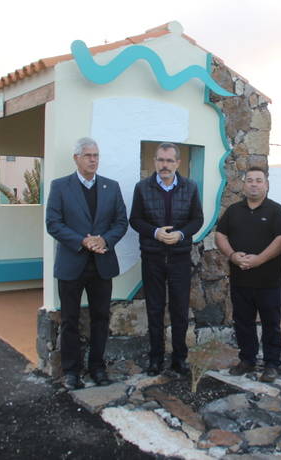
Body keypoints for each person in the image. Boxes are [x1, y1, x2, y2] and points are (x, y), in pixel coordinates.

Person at [46, 137, 128, 390]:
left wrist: (104, 239)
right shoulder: (60, 186)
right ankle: (71, 371)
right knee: (70, 320)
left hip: (102, 264)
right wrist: (83, 241)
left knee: (100, 318)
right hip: (72, 263)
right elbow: (53, 223)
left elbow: (121, 222)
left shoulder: (111, 187)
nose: (93, 160)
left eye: (96, 155)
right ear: (76, 158)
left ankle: (97, 368)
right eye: (88, 155)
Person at [129, 142, 203, 376]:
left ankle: (179, 358)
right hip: (152, 257)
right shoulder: (142, 188)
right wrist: (155, 232)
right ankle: (155, 358)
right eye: (161, 160)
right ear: (155, 161)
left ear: (178, 163)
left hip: (180, 258)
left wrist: (181, 234)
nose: (165, 165)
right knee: (154, 309)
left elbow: (197, 220)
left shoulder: (190, 187)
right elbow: (135, 220)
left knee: (180, 309)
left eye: (170, 160)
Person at [215, 166, 281, 382]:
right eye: (250, 180)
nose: (254, 184)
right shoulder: (233, 210)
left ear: (266, 185)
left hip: (269, 282)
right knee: (243, 322)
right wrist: (232, 255)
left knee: (271, 324)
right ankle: (247, 360)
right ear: (243, 184)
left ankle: (271, 364)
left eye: (259, 180)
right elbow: (220, 234)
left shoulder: (276, 211)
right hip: (241, 280)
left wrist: (259, 260)